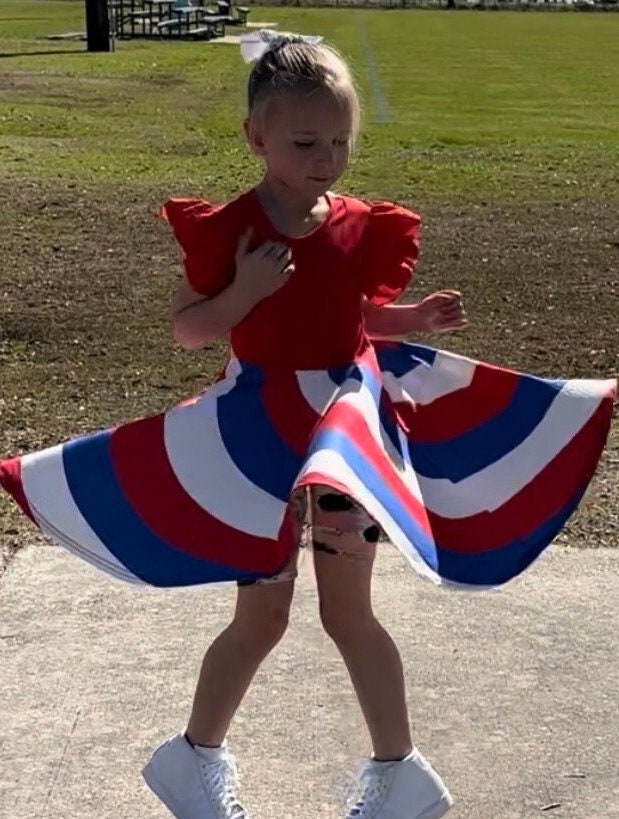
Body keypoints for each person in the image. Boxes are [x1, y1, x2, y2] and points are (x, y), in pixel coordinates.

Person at [0, 29, 615, 819]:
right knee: (260, 615)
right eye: (304, 141)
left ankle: (400, 774)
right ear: (256, 137)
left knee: (348, 611)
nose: (325, 158)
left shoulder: (357, 224)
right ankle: (194, 759)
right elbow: (191, 329)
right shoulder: (232, 230)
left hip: (341, 435)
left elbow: (346, 315)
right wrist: (244, 292)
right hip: (257, 437)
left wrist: (409, 316)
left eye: (338, 141)